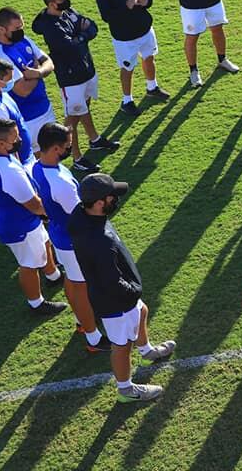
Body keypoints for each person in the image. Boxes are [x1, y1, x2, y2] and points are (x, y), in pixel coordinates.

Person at [68, 172, 176, 402]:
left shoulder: (81, 216)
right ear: (99, 203)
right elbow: (111, 281)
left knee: (143, 311)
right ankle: (125, 390)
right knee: (122, 345)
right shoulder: (99, 241)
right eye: (111, 197)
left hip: (112, 294)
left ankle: (146, 352)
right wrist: (133, 291)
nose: (115, 200)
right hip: (115, 301)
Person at [31, 123, 111, 352]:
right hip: (73, 240)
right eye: (67, 146)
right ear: (55, 148)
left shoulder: (38, 167)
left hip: (59, 234)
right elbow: (80, 213)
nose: (70, 148)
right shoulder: (61, 184)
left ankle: (80, 321)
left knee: (73, 281)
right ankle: (92, 336)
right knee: (82, 286)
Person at [32, 0, 119, 173]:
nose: (67, 2)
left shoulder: (67, 12)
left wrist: (82, 35)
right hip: (71, 78)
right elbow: (71, 46)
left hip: (86, 68)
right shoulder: (51, 27)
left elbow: (92, 26)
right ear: (52, 3)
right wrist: (83, 35)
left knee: (85, 107)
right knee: (72, 116)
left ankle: (94, 139)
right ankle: (76, 156)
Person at [0, 118, 65, 314]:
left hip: (9, 216)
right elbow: (35, 206)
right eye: (15, 137)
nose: (20, 139)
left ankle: (53, 275)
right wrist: (55, 214)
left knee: (44, 242)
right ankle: (36, 303)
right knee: (29, 263)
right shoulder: (10, 173)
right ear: (2, 144)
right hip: (20, 224)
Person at [95, 0, 170, 116]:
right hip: (125, 38)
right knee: (127, 68)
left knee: (149, 57)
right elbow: (106, 16)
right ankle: (126, 100)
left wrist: (146, 0)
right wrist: (125, 6)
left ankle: (152, 87)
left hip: (144, 30)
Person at [0, 7, 56, 154]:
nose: (21, 31)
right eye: (17, 28)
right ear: (1, 29)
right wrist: (40, 72)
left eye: (22, 27)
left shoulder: (23, 40)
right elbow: (22, 90)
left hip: (45, 108)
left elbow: (49, 62)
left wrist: (36, 72)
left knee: (52, 155)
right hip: (27, 119)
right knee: (34, 160)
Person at [0, 57, 34, 166]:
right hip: (22, 163)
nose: (12, 82)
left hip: (27, 157)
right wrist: (20, 169)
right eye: (9, 79)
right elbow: (8, 145)